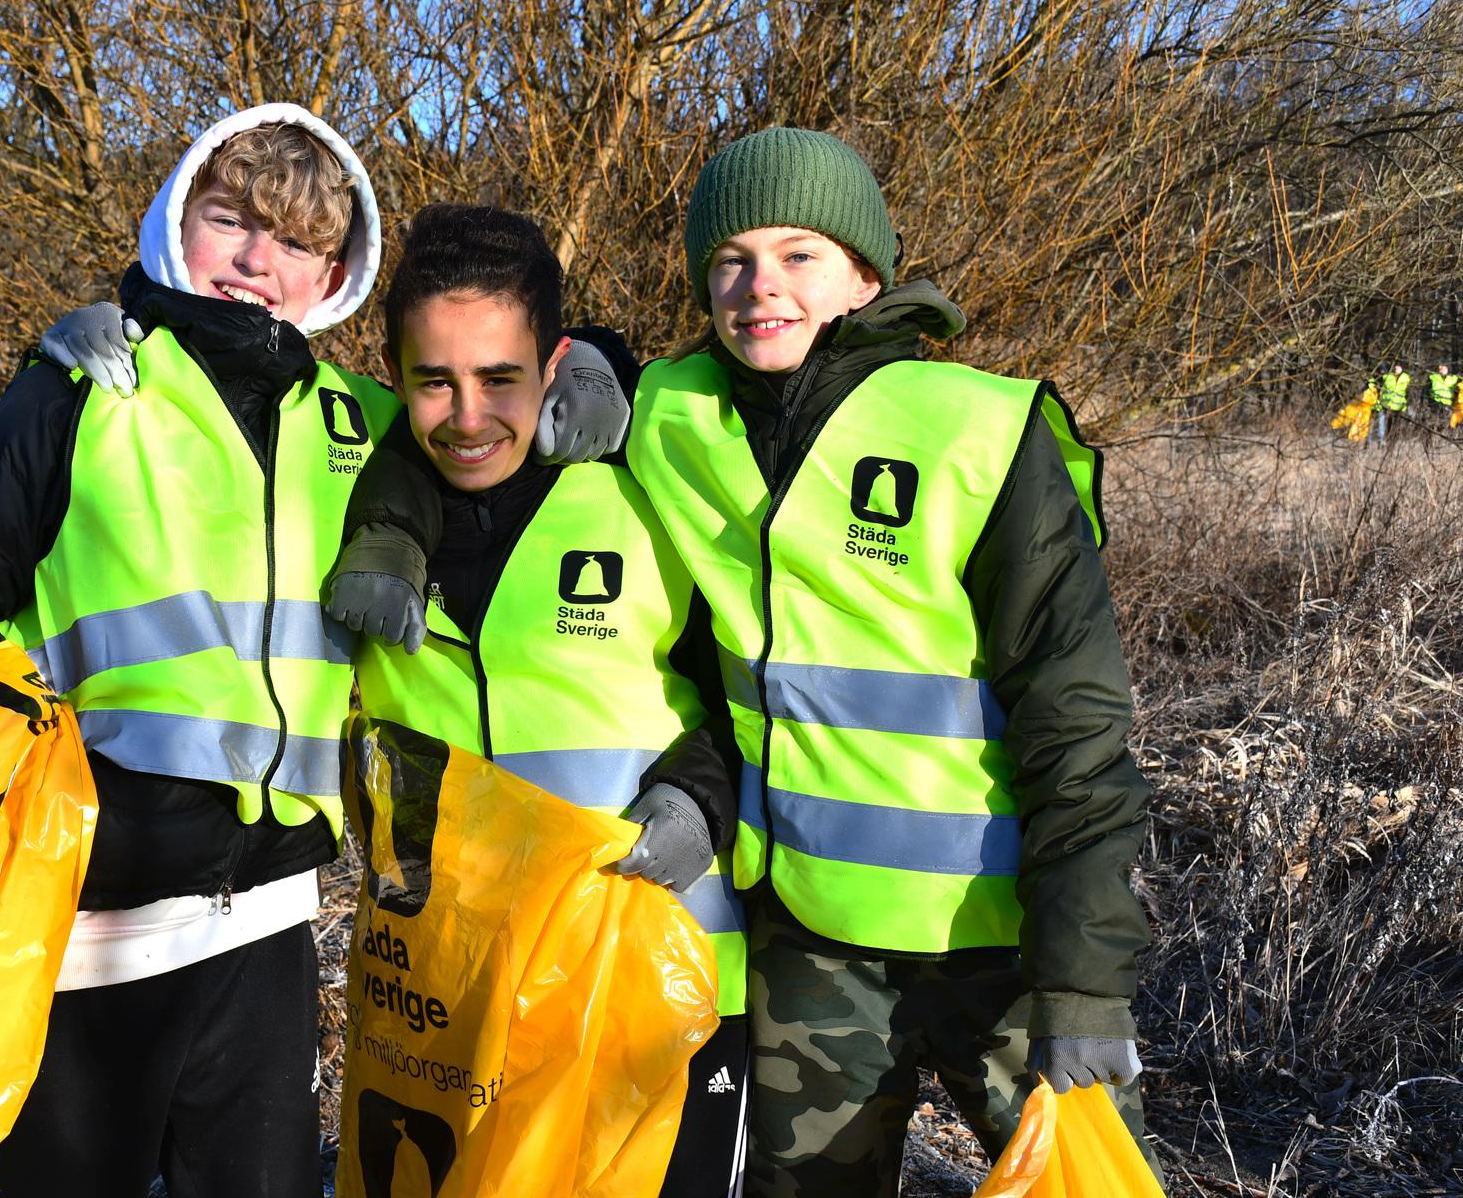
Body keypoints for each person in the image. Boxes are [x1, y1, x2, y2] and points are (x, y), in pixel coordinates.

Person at [317, 127, 1160, 1196]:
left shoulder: (981, 433)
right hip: (811, 945)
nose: (762, 287)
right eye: (731, 261)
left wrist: (1086, 984)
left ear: (865, 270)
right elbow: (468, 398)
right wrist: (590, 378)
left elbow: (1078, 726)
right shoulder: (674, 411)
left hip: (1004, 949)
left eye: (800, 254)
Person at [0, 102, 401, 1198]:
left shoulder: (364, 423)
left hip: (266, 925)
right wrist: (25, 811)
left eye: (298, 242)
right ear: (174, 217)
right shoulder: (83, 388)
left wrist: (589, 368)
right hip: (87, 932)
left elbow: (497, 419)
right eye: (231, 221)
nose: (259, 262)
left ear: (334, 271)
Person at [344, 203, 751, 1195]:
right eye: (434, 382)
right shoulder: (352, 502)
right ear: (393, 377)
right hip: (452, 1000)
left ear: (556, 363)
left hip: (664, 982)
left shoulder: (650, 492)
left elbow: (768, 692)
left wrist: (705, 795)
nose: (469, 416)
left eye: (501, 378)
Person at [1378, 363, 1410, 444]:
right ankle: (1382, 442)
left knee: (1395, 428)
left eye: (1399, 366)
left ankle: (1392, 442)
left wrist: (1405, 406)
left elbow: (1408, 393)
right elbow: (1380, 390)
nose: (1396, 368)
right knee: (1383, 425)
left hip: (1399, 407)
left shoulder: (1406, 378)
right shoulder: (1387, 376)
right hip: (1385, 406)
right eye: (1395, 366)